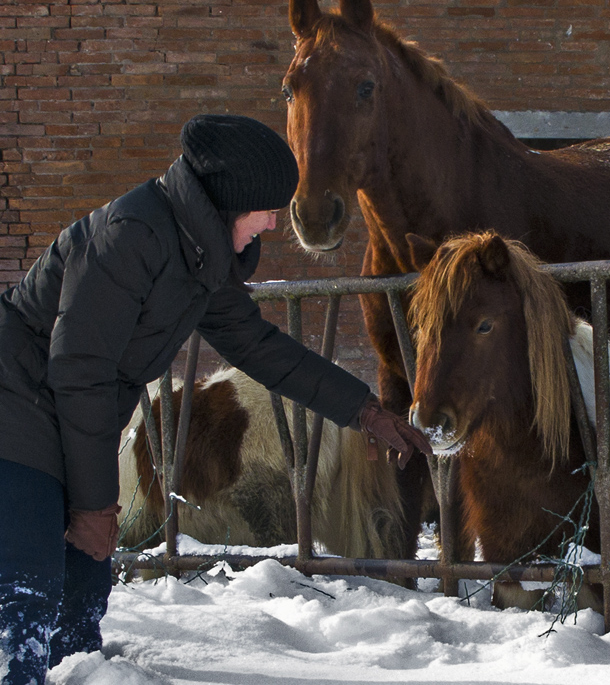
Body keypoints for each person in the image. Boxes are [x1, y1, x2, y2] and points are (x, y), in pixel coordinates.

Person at [0, 114, 432, 684]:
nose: (275, 224)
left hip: (71, 412)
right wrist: (94, 506)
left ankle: (75, 670)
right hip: (15, 402)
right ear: (231, 199)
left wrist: (365, 411)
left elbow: (260, 347)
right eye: (267, 209)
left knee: (86, 578)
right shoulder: (131, 237)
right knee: (31, 578)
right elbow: (79, 370)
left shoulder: (198, 260)